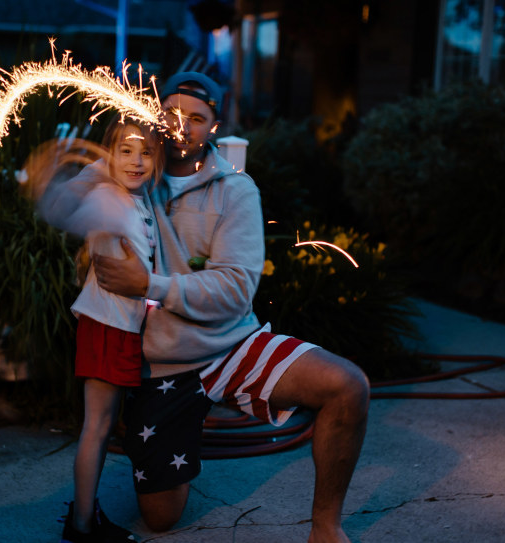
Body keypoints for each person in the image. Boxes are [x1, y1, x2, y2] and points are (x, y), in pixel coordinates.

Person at [92, 72, 370, 543]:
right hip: (162, 365)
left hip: (233, 343)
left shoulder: (236, 190)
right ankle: (178, 438)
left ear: (214, 127)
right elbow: (81, 192)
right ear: (157, 120)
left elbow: (236, 289)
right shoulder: (134, 177)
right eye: (173, 115)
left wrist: (149, 283)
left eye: (197, 118)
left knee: (348, 386)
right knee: (160, 519)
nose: (184, 126)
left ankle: (326, 529)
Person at [38, 117, 164, 543]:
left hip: (120, 325)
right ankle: (82, 526)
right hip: (108, 325)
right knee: (98, 426)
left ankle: (84, 516)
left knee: (105, 425)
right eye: (125, 151)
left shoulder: (140, 198)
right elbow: (61, 211)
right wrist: (58, 181)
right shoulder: (111, 197)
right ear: (110, 156)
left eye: (146, 151)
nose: (137, 161)